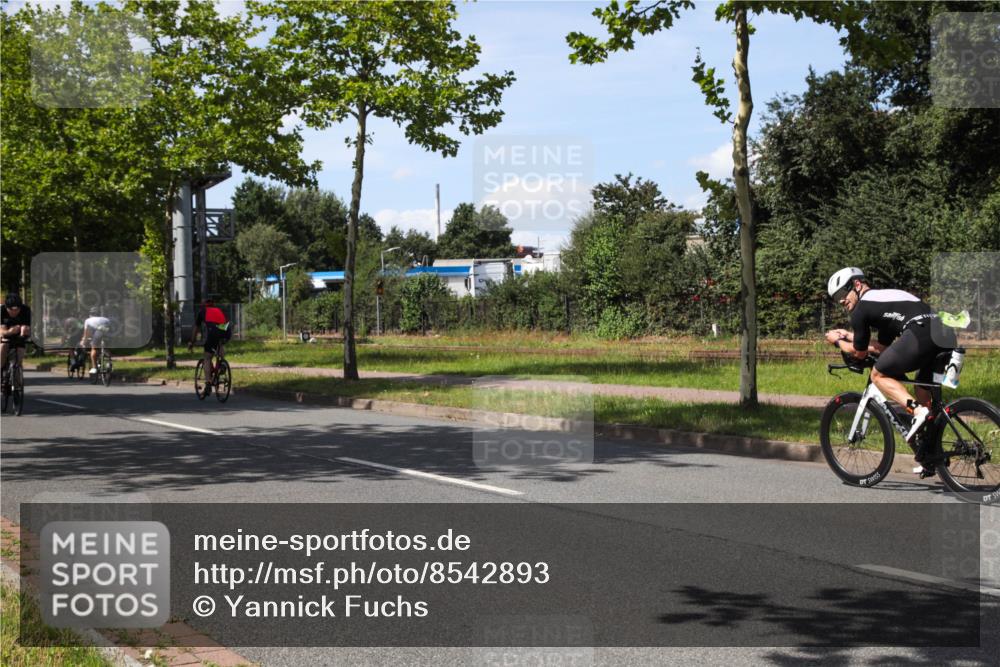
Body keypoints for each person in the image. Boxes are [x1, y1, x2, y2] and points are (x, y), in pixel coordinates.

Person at [824, 267, 957, 472]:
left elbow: (859, 354)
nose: (841, 301)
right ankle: (931, 454)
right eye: (836, 299)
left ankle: (917, 411)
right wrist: (851, 336)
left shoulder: (861, 310)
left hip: (921, 331)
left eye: (843, 294)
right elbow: (884, 349)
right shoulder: (884, 300)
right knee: (922, 390)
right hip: (945, 333)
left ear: (857, 285)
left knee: (878, 374)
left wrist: (837, 342)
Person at [188, 299, 231, 394]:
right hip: (226, 330)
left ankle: (208, 383)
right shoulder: (218, 310)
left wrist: (192, 342)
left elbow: (196, 328)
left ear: (203, 306)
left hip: (213, 331)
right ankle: (222, 364)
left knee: (207, 357)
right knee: (220, 342)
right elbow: (226, 322)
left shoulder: (202, 311)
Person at [1, 293, 32, 377]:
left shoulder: (26, 310)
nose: (14, 312)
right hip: (5, 336)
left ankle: (17, 377)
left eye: (17, 310)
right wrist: (10, 331)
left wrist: (25, 333)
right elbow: (2, 331)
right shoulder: (2, 311)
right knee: (3, 345)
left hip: (19, 337)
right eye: (11, 310)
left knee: (19, 355)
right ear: (6, 307)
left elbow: (27, 328)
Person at [80, 307, 112, 376]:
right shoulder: (106, 319)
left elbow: (86, 333)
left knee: (93, 348)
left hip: (98, 334)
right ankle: (108, 362)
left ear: (90, 314)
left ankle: (94, 368)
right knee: (106, 348)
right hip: (108, 334)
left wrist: (84, 341)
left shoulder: (88, 320)